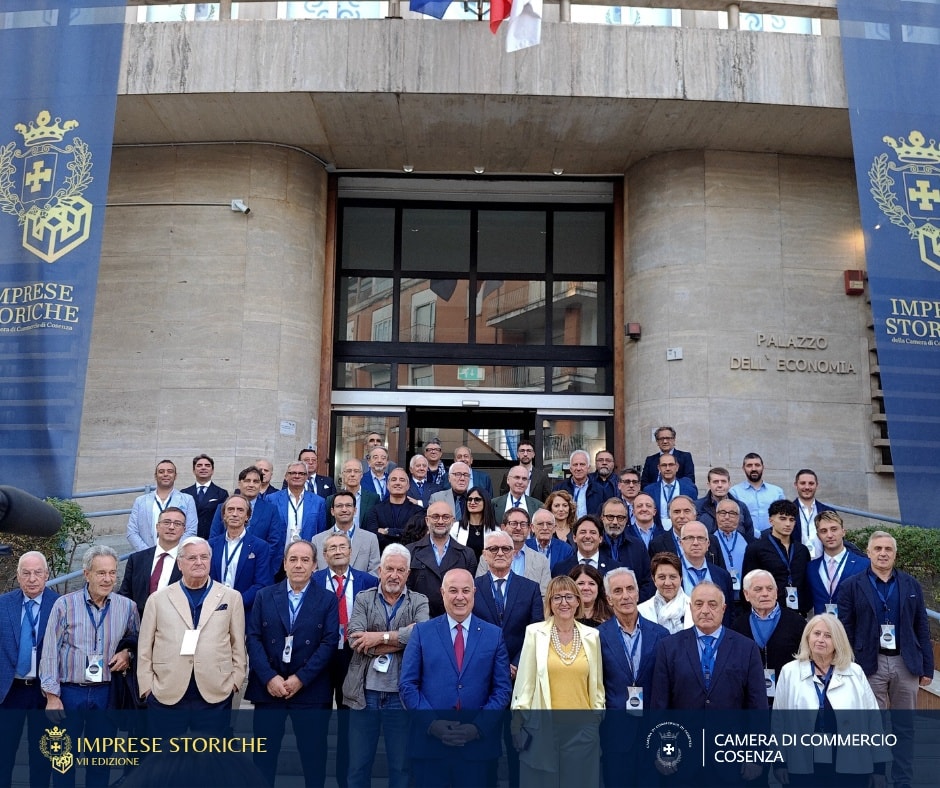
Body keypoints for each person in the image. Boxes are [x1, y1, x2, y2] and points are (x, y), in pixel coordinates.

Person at [399, 568, 512, 788]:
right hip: (430, 748)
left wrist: (477, 728)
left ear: (474, 593)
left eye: (465, 591)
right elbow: (408, 685)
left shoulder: (493, 635)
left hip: (478, 751)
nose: (460, 597)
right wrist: (433, 724)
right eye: (453, 590)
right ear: (442, 593)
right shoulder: (422, 632)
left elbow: (502, 690)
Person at [838, 531, 933, 788]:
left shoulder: (911, 585)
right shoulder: (851, 586)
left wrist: (927, 666)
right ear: (868, 553)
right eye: (877, 548)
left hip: (905, 662)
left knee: (905, 727)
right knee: (872, 726)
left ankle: (903, 779)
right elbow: (845, 628)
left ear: (895, 554)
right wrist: (849, 665)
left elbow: (921, 626)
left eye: (888, 549)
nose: (883, 553)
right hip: (869, 663)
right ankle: (876, 776)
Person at [40, 546, 139, 788]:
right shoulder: (64, 605)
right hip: (69, 692)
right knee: (63, 761)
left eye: (112, 573)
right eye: (101, 573)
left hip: (107, 693)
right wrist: (52, 696)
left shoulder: (128, 607)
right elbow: (50, 651)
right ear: (86, 574)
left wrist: (128, 653)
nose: (108, 579)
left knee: (100, 761)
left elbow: (137, 641)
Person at [246, 540, 339, 788]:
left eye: (305, 560)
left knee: (314, 759)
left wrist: (300, 679)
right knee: (263, 759)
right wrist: (269, 677)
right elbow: (253, 638)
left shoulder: (328, 599)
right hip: (269, 689)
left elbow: (329, 642)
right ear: (284, 563)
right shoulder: (264, 596)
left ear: (315, 565)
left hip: (311, 690)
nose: (299, 565)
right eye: (293, 559)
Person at [137, 536, 246, 737]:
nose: (199, 562)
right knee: (165, 755)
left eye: (204, 557)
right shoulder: (158, 599)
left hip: (215, 692)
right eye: (192, 558)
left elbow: (238, 645)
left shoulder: (231, 597)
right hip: (166, 691)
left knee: (212, 755)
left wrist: (235, 681)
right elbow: (144, 648)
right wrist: (147, 687)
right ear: (180, 563)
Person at [344, 544, 430, 788]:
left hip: (400, 696)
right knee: (358, 766)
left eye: (400, 570)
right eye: (389, 569)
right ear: (379, 571)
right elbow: (355, 639)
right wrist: (402, 640)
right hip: (364, 694)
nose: (394, 575)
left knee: (401, 767)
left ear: (408, 574)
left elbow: (422, 636)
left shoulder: (419, 601)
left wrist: (378, 637)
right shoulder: (364, 598)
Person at [773, 614, 889, 787]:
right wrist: (779, 762)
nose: (820, 639)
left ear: (838, 641)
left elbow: (874, 721)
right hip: (802, 762)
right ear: (807, 637)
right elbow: (778, 721)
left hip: (850, 764)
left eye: (828, 636)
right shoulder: (789, 672)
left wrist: (879, 767)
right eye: (816, 633)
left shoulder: (855, 672)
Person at [510, 575, 604, 788]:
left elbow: (597, 687)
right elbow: (525, 684)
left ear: (578, 601)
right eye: (557, 597)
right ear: (550, 603)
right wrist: (517, 724)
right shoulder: (535, 633)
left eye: (569, 596)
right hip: (544, 730)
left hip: (582, 732)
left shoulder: (592, 636)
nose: (564, 603)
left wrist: (595, 720)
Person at [472, 530, 544, 788]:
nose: (500, 553)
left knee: (519, 750)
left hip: (519, 680)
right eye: (493, 549)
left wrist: (517, 664)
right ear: (484, 554)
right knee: (485, 751)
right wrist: (498, 666)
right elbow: (471, 630)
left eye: (505, 548)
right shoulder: (473, 587)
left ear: (514, 553)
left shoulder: (530, 588)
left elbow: (536, 631)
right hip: (484, 681)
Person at [311, 531, 380, 788]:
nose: (338, 551)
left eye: (343, 546)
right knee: (316, 727)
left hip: (354, 658)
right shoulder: (313, 581)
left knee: (349, 727)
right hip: (320, 659)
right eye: (332, 548)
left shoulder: (368, 581)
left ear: (351, 552)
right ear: (324, 555)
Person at [598, 567, 670, 788]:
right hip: (615, 732)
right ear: (609, 599)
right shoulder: (598, 636)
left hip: (652, 731)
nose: (626, 596)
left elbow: (666, 687)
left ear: (638, 593)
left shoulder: (661, 635)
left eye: (630, 589)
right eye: (618, 591)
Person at [0, 552, 58, 788]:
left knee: (41, 757)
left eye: (37, 573)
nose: (32, 578)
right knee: (3, 755)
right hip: (9, 691)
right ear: (18, 576)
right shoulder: (3, 604)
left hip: (44, 691)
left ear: (46, 575)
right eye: (26, 573)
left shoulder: (60, 604)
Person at [731, 569, 805, 707]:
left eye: (769, 589)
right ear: (746, 594)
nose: (765, 593)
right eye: (758, 589)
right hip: (751, 700)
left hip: (788, 697)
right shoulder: (738, 626)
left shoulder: (797, 623)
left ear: (776, 593)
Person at [210, 466, 285, 578]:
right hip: (225, 566)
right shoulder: (223, 507)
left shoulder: (271, 510)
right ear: (239, 483)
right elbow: (214, 536)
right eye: (247, 481)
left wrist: (263, 565)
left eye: (256, 481)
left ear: (260, 485)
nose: (251, 484)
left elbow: (275, 541)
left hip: (259, 569)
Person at [406, 501, 478, 617]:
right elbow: (405, 589)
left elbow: (470, 592)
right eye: (435, 517)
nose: (440, 521)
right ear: (427, 520)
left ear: (453, 521)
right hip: (419, 618)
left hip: (454, 618)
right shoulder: (410, 551)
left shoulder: (467, 554)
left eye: (445, 517)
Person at [742, 499, 812, 614]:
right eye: (782, 519)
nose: (788, 524)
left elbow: (806, 583)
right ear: (771, 521)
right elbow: (748, 584)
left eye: (792, 520)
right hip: (767, 612)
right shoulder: (756, 549)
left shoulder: (802, 550)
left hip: (798, 613)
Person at [208, 494, 272, 617]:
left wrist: (235, 603)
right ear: (224, 515)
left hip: (244, 612)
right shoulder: (211, 545)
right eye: (230, 509)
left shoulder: (260, 547)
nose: (235, 514)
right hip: (213, 610)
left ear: (247, 516)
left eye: (240, 510)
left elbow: (262, 584)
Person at [119, 506, 185, 616]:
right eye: (166, 522)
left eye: (177, 524)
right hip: (139, 622)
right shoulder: (136, 559)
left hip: (174, 622)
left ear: (184, 530)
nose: (171, 527)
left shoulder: (189, 562)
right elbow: (125, 595)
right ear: (157, 527)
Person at [478, 508, 551, 598]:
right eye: (514, 523)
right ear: (503, 527)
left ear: (529, 529)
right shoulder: (487, 557)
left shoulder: (541, 561)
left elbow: (545, 596)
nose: (518, 528)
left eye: (523, 524)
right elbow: (480, 591)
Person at [126, 459, 198, 551]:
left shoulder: (187, 500)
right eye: (161, 472)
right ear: (155, 476)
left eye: (170, 471)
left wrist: (174, 551)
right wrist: (147, 553)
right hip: (147, 552)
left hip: (177, 555)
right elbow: (132, 532)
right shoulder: (140, 501)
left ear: (175, 476)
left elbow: (191, 530)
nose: (165, 474)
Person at [807, 510, 868, 615]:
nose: (829, 535)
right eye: (824, 531)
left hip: (852, 624)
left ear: (843, 532)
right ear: (818, 536)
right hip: (822, 624)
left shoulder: (864, 565)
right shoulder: (811, 568)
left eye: (834, 529)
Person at [677, 520, 734, 624]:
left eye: (700, 538)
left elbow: (728, 613)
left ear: (708, 544)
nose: (695, 543)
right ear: (681, 543)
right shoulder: (672, 573)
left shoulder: (722, 575)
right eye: (690, 538)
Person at [312, 489, 381, 573]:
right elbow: (314, 572)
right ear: (332, 511)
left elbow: (374, 572)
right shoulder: (317, 540)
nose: (344, 510)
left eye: (348, 505)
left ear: (355, 510)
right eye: (339, 506)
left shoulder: (370, 539)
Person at [597, 497, 654, 599]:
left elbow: (648, 580)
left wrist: (634, 602)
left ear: (626, 520)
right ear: (602, 518)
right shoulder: (594, 545)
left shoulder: (638, 546)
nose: (615, 522)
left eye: (620, 518)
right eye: (610, 517)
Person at [362, 467, 424, 549]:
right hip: (383, 554)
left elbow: (416, 535)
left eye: (402, 480)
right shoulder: (375, 510)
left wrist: (388, 531)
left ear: (408, 486)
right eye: (394, 480)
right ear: (387, 485)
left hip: (410, 554)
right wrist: (402, 533)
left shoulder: (418, 511)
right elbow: (372, 536)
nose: (397, 483)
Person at [269, 461, 328, 547]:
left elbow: (321, 532)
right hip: (279, 552)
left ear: (306, 477)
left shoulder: (318, 502)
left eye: (301, 473)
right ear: (286, 476)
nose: (297, 476)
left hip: (308, 552)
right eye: (293, 473)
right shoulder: (272, 499)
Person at [708, 497, 755, 603]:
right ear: (716, 515)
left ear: (738, 517)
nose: (727, 517)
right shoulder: (708, 541)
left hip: (745, 598)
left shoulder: (750, 542)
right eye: (722, 513)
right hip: (718, 597)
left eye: (732, 513)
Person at [730, 452, 786, 536]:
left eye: (757, 465)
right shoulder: (734, 492)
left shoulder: (777, 492)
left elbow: (783, 517)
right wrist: (756, 534)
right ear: (743, 468)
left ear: (763, 467)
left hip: (773, 538)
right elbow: (735, 519)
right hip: (746, 538)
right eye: (749, 465)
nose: (754, 469)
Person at [552, 515, 623, 578]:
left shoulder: (616, 569)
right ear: (574, 538)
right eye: (583, 532)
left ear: (600, 538)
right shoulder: (560, 569)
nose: (588, 536)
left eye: (593, 532)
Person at [637, 552, 692, 634]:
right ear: (653, 579)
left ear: (681, 578)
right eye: (662, 577)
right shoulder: (641, 611)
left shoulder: (695, 608)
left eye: (672, 577)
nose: (667, 583)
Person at [696, 466, 755, 538]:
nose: (720, 485)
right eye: (715, 482)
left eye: (723, 481)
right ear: (709, 485)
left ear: (729, 484)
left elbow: (749, 533)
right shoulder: (697, 507)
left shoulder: (741, 506)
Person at [643, 453, 699, 529]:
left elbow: (694, 514)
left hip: (682, 530)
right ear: (659, 468)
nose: (668, 468)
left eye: (671, 465)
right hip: (657, 532)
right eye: (664, 465)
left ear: (677, 467)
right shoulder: (649, 490)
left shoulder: (689, 490)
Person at [181, 453, 228, 540]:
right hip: (188, 539)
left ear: (212, 471)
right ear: (194, 470)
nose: (203, 468)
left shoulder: (222, 493)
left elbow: (223, 520)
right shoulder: (184, 493)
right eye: (199, 465)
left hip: (212, 539)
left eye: (207, 465)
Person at [792, 468, 836, 560]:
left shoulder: (828, 511)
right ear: (796, 485)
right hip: (796, 562)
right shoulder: (788, 511)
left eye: (811, 483)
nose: (807, 487)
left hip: (823, 562)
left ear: (817, 485)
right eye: (803, 483)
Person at [450, 485, 499, 559]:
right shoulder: (456, 527)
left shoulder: (495, 529)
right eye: (469, 499)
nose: (472, 502)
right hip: (463, 565)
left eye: (477, 499)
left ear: (485, 502)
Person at [552, 449, 604, 517]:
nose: (578, 468)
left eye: (582, 464)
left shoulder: (600, 490)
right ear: (570, 468)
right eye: (575, 465)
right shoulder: (559, 489)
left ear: (588, 468)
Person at [333, 458, 380, 531]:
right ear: (343, 474)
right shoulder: (332, 499)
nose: (352, 474)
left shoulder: (373, 499)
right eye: (348, 471)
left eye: (356, 471)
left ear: (361, 475)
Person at [525, 507, 574, 572]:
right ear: (532, 528)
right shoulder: (525, 547)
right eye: (540, 524)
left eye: (549, 524)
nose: (545, 528)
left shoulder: (565, 549)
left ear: (554, 528)